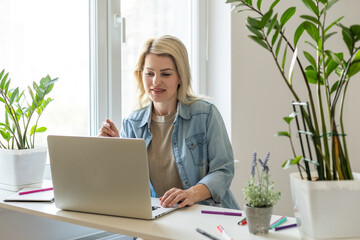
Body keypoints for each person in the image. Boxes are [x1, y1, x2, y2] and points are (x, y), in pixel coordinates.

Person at [99, 35, 239, 210]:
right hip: (159, 219)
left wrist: (191, 194)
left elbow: (224, 171)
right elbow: (126, 185)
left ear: (181, 76)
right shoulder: (131, 124)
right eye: (149, 73)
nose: (156, 81)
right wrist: (113, 150)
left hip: (208, 215)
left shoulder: (206, 115)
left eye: (165, 73)